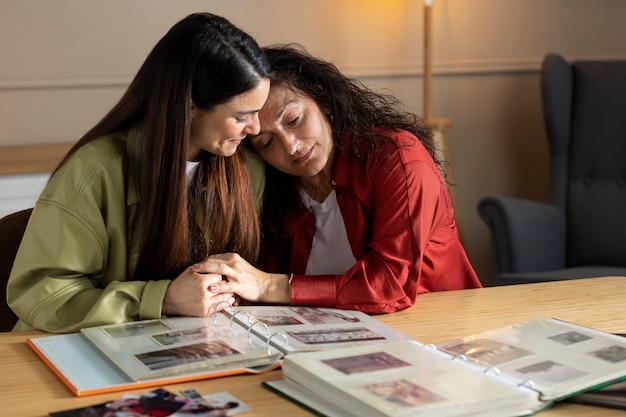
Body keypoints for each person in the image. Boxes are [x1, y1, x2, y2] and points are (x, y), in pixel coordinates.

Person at [7, 13, 271, 333]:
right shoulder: (95, 171)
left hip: (197, 348)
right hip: (80, 356)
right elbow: (40, 294)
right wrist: (162, 300)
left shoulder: (247, 170)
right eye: (243, 115)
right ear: (188, 106)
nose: (255, 128)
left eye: (258, 113)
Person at [201, 44, 482, 314]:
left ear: (322, 98)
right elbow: (257, 288)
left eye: (294, 120)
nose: (290, 146)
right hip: (331, 346)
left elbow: (389, 284)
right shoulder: (280, 191)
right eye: (266, 142)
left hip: (438, 338)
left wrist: (269, 284)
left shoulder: (398, 158)